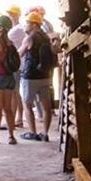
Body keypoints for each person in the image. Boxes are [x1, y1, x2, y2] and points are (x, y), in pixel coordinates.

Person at [18, 11, 58, 142]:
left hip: (30, 77)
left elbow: (20, 54)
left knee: (27, 104)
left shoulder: (29, 38)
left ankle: (32, 132)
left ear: (34, 24)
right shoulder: (47, 38)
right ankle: (45, 133)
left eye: (28, 23)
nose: (26, 25)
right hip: (45, 75)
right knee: (46, 106)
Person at [0, 14, 21, 145]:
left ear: (1, 28)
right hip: (9, 77)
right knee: (8, 109)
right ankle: (11, 136)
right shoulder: (10, 43)